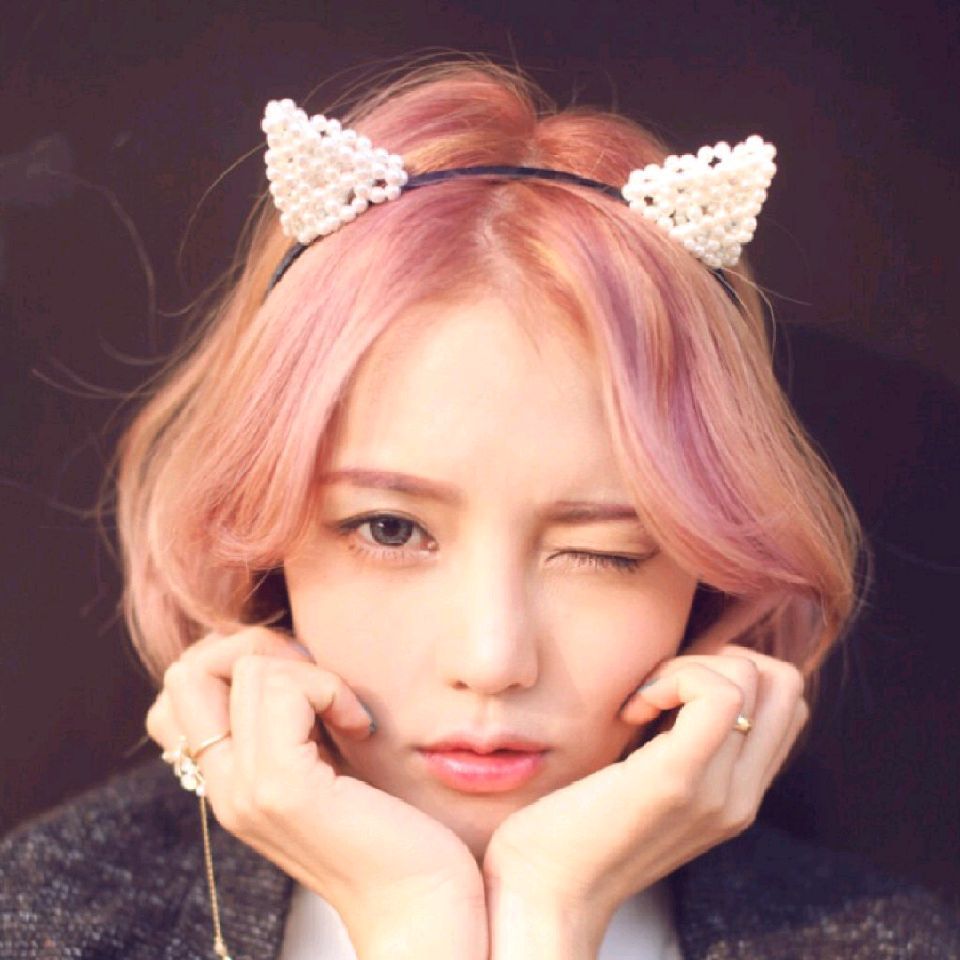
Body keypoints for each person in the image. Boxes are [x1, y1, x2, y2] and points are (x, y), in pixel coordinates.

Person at [2, 55, 957, 959]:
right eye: (390, 530)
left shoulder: (877, 940)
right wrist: (411, 911)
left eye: (604, 550)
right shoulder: (46, 918)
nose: (493, 661)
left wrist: (552, 910)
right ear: (263, 528)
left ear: (712, 567)